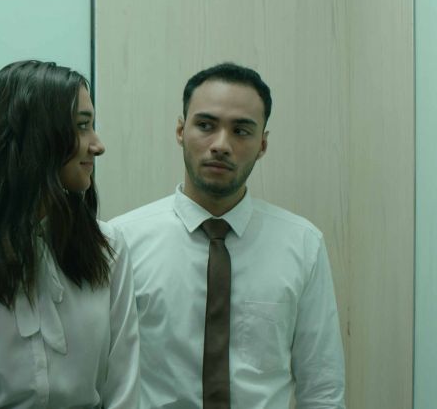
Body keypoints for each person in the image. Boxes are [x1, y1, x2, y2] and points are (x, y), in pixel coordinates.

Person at [110, 62, 345, 408]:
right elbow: (104, 379)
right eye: (206, 125)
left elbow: (322, 387)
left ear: (262, 144)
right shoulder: (121, 241)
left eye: (241, 131)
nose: (221, 145)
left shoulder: (302, 245)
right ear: (180, 130)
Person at [0, 60, 140, 408]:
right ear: (37, 137)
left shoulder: (108, 247)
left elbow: (123, 390)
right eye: (82, 126)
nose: (97, 145)